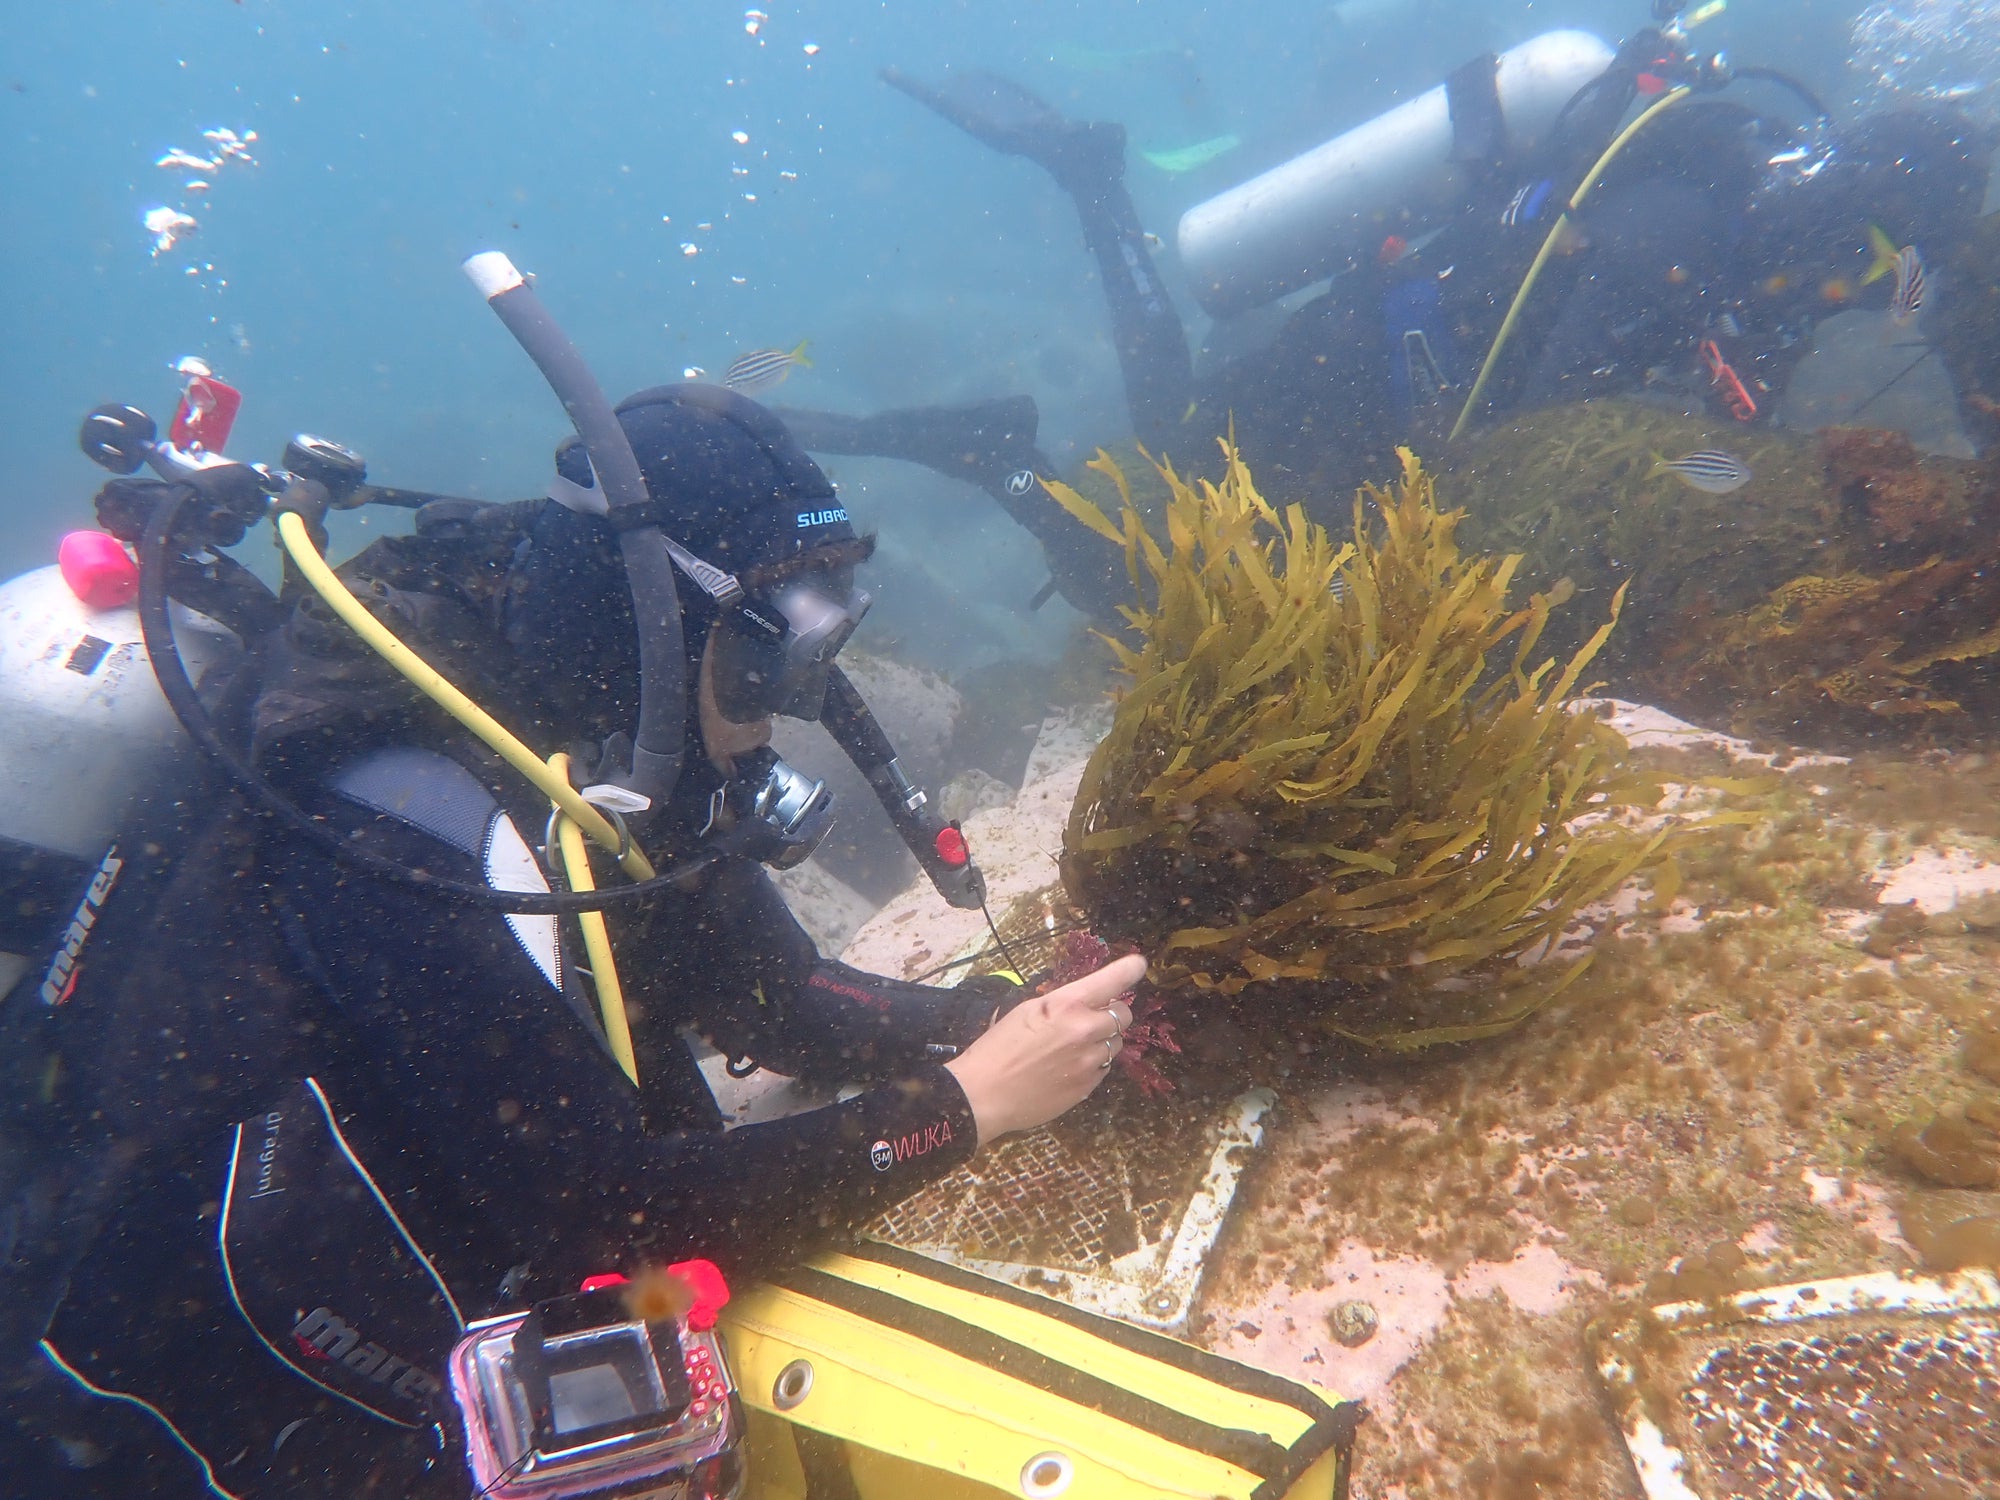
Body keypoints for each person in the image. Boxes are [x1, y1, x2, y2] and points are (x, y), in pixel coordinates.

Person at [0, 380, 1146, 1498]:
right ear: (648, 616)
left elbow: (776, 1001)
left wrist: (996, 1019)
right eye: (774, 648)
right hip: (178, 1409)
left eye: (823, 633)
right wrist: (964, 1108)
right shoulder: (392, 825)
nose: (794, 693)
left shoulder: (606, 745)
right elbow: (604, 1216)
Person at [779, 26, 1988, 620]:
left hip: (1395, 399)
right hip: (1363, 378)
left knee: (1174, 528)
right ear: (1853, 201)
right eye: (1876, 257)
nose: (1862, 288)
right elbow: (1553, 416)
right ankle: (1076, 229)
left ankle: (1035, 368)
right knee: (1158, 567)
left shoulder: (1727, 233)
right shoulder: (1679, 226)